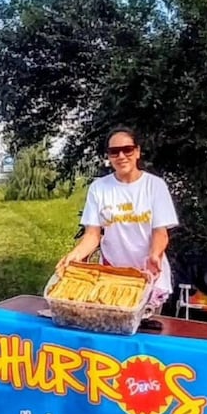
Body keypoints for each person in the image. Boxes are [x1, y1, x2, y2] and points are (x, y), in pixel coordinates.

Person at [58, 126, 179, 311]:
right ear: (109, 157)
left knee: (144, 334)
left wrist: (155, 255)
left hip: (147, 276)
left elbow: (160, 232)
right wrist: (75, 255)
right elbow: (92, 235)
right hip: (111, 277)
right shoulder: (99, 188)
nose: (121, 156)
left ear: (137, 151)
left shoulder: (155, 186)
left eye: (127, 150)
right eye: (114, 152)